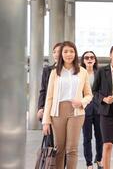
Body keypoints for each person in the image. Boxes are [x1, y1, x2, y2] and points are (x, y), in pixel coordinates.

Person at [42, 41, 93, 169]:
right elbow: (49, 98)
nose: (69, 54)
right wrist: (46, 121)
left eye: (71, 51)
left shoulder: (82, 71)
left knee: (72, 149)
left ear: (75, 53)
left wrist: (81, 102)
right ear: (61, 54)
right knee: (59, 149)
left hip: (76, 113)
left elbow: (89, 94)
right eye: (65, 51)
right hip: (57, 113)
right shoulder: (55, 72)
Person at [80, 51, 103, 169]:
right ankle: (89, 163)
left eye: (92, 57)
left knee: (100, 137)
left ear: (94, 60)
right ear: (83, 60)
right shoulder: (79, 73)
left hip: (99, 109)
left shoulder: (99, 73)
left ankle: (99, 159)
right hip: (85, 109)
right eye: (86, 57)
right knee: (86, 138)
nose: (89, 59)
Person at [37, 42, 62, 147]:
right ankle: (50, 163)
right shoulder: (47, 70)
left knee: (62, 142)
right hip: (50, 108)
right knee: (49, 141)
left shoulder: (72, 71)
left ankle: (62, 164)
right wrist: (40, 108)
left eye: (59, 51)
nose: (56, 54)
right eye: (54, 52)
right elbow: (43, 90)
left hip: (64, 109)